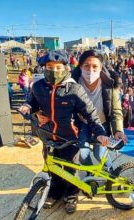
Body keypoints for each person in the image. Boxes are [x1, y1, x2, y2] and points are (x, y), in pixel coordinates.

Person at [18, 50, 109, 214]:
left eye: (58, 67)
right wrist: (31, 111)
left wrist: (100, 132)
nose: (54, 71)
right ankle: (54, 192)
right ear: (44, 68)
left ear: (66, 68)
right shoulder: (38, 87)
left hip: (69, 138)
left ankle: (71, 195)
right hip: (47, 136)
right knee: (51, 167)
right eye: (49, 67)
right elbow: (31, 103)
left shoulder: (75, 89)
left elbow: (91, 113)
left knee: (70, 169)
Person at [71, 49, 127, 170]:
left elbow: (116, 110)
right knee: (83, 154)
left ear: (101, 67)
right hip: (83, 123)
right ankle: (90, 176)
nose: (90, 70)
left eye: (95, 66)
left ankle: (110, 173)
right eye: (86, 66)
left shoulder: (110, 84)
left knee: (100, 154)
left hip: (102, 124)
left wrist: (118, 130)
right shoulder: (72, 84)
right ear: (80, 67)